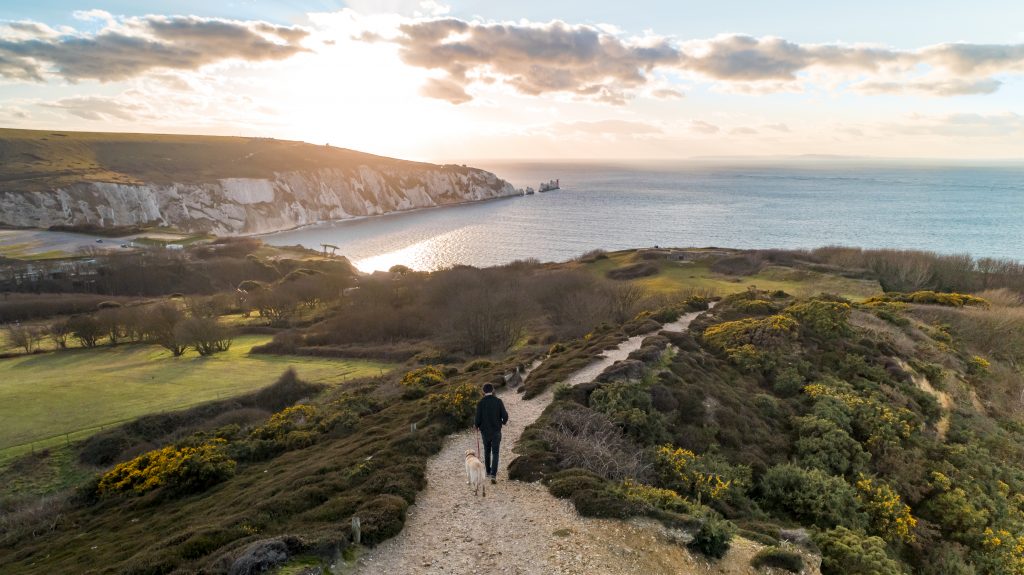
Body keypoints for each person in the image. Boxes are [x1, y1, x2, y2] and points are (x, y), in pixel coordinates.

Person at [474, 383, 508, 484]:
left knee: (487, 451)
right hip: (496, 431)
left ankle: (488, 472)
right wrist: (502, 422)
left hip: (485, 432)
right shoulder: (498, 401)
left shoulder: (480, 403)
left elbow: (477, 419)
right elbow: (505, 416)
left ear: (483, 391)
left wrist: (476, 426)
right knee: (496, 452)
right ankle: (493, 474)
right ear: (492, 390)